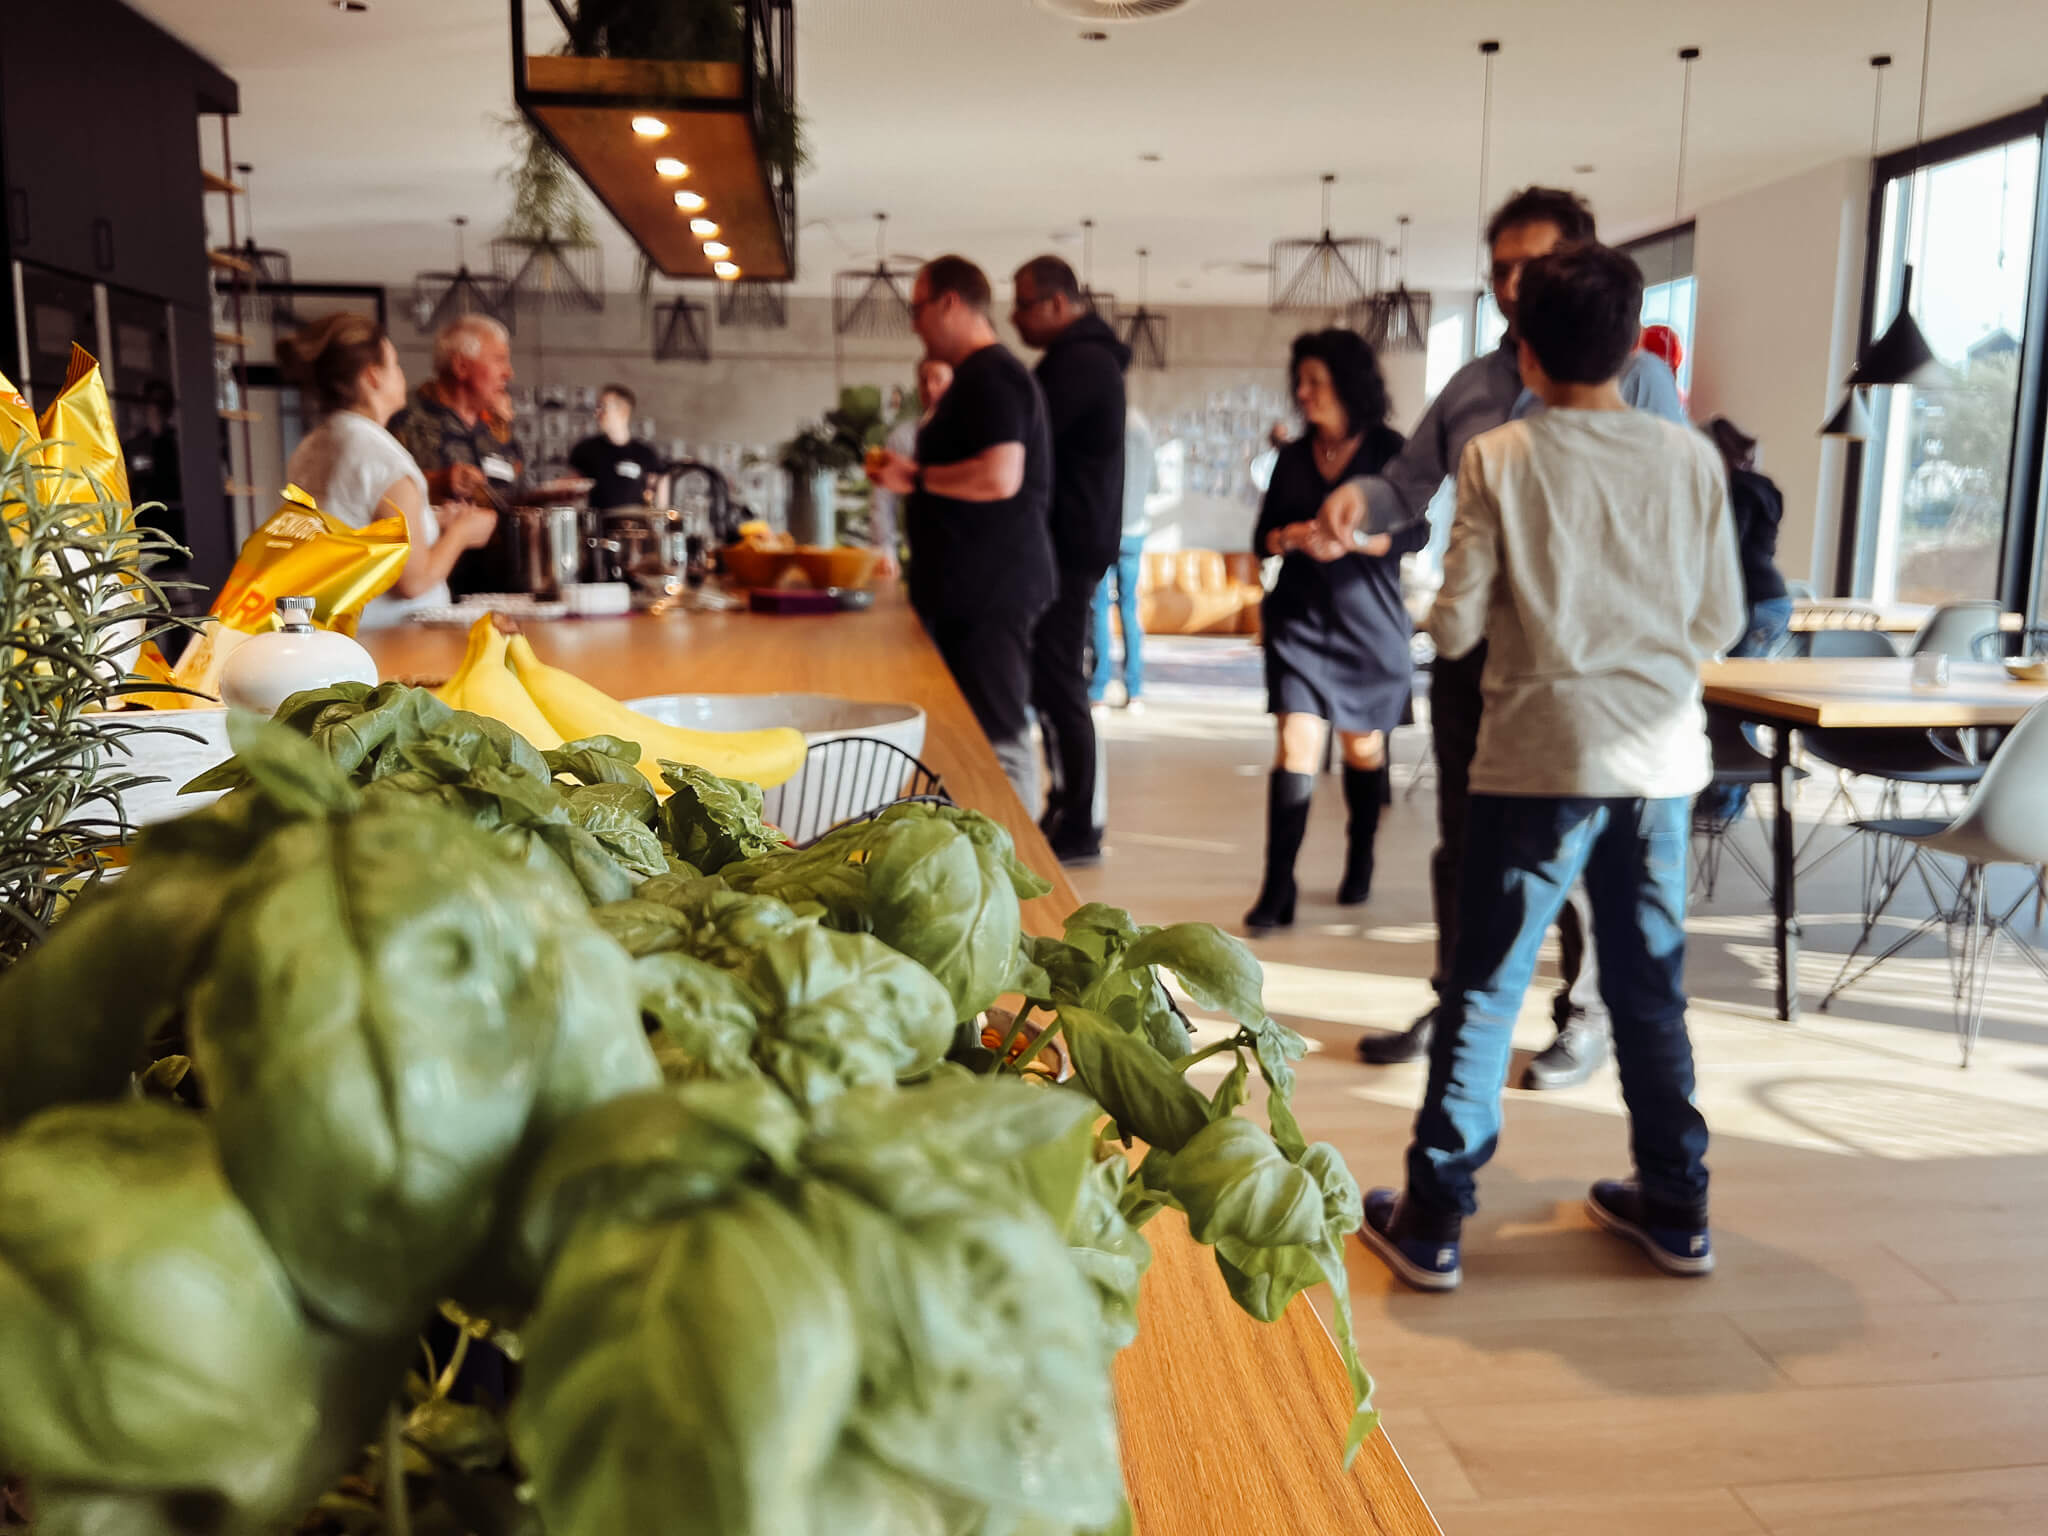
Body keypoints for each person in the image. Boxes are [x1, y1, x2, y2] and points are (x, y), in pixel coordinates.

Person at [1354, 241, 1745, 1293]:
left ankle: (1432, 1222)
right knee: (1647, 989)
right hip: (1657, 760)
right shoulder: (1689, 459)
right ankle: (1677, 1204)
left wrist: (1432, 605)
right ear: (1631, 351)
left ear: (1523, 355)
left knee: (1485, 988)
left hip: (1533, 757)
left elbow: (1458, 623)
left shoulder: (1500, 459)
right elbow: (1718, 619)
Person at [1314, 186, 1687, 1089]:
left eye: (1532, 265)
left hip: (1579, 670)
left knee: (1578, 853)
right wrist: (1351, 501)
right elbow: (1403, 487)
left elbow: (1663, 527)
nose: (1513, 283)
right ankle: (1462, 999)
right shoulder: (1474, 385)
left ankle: (1578, 1014)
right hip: (1477, 661)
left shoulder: (1640, 381)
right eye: (1500, 270)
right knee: (1465, 842)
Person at [1244, 330, 1417, 933]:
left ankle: (1361, 854)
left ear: (1348, 383)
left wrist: (1361, 541)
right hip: (1297, 622)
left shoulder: (1390, 450)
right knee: (1294, 746)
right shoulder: (1292, 456)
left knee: (1361, 751)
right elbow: (1262, 534)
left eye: (1316, 380)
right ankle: (1277, 887)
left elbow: (1416, 532)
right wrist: (1294, 537)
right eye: (1301, 380)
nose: (1303, 392)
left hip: (1368, 628)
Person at [870, 257, 1054, 810]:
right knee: (974, 738)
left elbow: (1000, 477)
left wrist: (915, 477)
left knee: (999, 740)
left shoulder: (992, 375)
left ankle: (1023, 876)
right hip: (971, 592)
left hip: (990, 593)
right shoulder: (975, 380)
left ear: (950, 303)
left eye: (917, 309)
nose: (914, 324)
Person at [1011, 254, 1131, 866]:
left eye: (1023, 303)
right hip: (1068, 546)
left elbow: (1029, 444)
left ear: (1059, 303)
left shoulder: (1081, 363)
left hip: (1067, 549)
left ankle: (1079, 821)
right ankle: (1068, 808)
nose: (1014, 316)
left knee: (1060, 682)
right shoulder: (1080, 359)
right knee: (1054, 681)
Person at [279, 313, 498, 626]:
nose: (402, 375)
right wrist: (461, 534)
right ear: (373, 377)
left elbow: (356, 525)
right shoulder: (383, 459)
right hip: (396, 645)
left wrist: (433, 522)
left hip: (340, 635)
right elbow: (414, 580)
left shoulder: (312, 446)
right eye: (395, 364)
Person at [386, 314, 585, 595]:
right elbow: (379, 498)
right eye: (499, 359)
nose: (509, 373)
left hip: (506, 587)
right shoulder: (403, 420)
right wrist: (438, 483)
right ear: (461, 365)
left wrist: (541, 495)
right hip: (434, 590)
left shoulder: (497, 429)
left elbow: (506, 495)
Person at [1695, 415, 1792, 823]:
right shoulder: (1765, 489)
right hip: (1775, 599)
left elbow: (1725, 552)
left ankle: (1724, 803)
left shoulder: (1735, 492)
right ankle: (1726, 800)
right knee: (1742, 703)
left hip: (1749, 601)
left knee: (1731, 703)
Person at [1091, 404, 1154, 709]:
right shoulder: (1146, 435)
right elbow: (1154, 485)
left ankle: (1099, 691)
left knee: (1100, 609)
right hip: (1135, 531)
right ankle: (1135, 690)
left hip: (1106, 531)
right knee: (1129, 608)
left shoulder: (1106, 432)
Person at [870, 358, 953, 582]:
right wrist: (884, 550)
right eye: (923, 380)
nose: (929, 387)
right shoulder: (903, 436)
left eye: (938, 379)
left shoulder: (978, 432)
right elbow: (883, 498)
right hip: (922, 550)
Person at [569, 383, 669, 511]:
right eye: (597, 407)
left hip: (636, 527)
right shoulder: (585, 450)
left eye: (603, 407)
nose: (597, 413)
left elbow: (660, 496)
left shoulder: (646, 453)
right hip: (596, 527)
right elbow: (570, 493)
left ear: (623, 411)